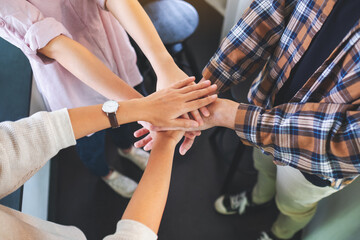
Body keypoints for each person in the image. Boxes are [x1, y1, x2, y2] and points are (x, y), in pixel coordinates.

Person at [136, 0, 360, 239]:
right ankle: (257, 197)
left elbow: (349, 141)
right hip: (264, 106)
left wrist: (227, 114)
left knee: (292, 204)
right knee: (262, 168)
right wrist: (201, 92)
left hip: (314, 161)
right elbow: (268, 11)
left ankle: (281, 233)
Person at [0, 0, 204, 198]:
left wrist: (164, 64)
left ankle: (127, 150)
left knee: (127, 125)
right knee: (91, 143)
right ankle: (106, 173)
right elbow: (54, 43)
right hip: (71, 83)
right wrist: (145, 107)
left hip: (114, 52)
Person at [0, 78, 218, 240]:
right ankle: (107, 173)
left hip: (107, 100)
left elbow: (18, 141)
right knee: (90, 147)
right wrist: (166, 140)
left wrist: (141, 108)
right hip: (69, 93)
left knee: (125, 133)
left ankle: (128, 151)